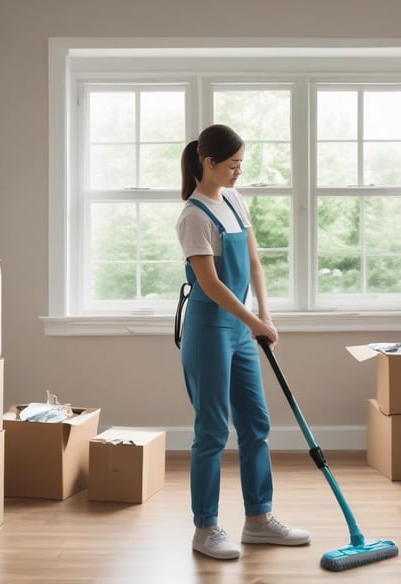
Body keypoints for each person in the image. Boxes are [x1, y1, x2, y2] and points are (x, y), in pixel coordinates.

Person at [176, 124, 310, 560]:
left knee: (256, 423)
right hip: (209, 329)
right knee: (212, 430)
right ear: (207, 162)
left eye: (241, 165)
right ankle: (206, 528)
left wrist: (265, 318)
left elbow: (254, 261)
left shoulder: (234, 200)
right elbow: (210, 284)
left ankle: (258, 520)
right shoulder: (193, 216)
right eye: (232, 165)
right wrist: (253, 319)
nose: (238, 173)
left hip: (240, 327)